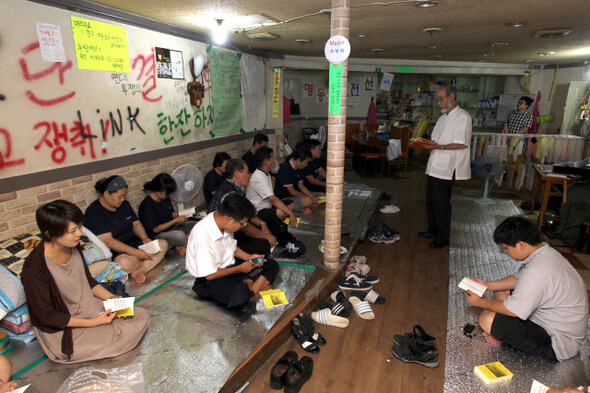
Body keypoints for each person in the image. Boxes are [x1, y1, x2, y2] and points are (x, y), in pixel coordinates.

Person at [21, 200, 149, 364]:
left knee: (140, 314)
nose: (79, 234)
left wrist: (111, 298)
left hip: (88, 306)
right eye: (72, 231)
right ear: (49, 234)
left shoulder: (73, 247)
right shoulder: (34, 270)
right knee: (120, 334)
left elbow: (88, 281)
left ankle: (109, 328)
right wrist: (93, 322)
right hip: (65, 327)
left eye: (79, 228)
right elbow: (47, 316)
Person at [464, 217, 588, 361]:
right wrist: (487, 285)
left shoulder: (538, 270)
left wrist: (480, 303)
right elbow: (518, 279)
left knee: (487, 319)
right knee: (500, 290)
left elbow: (513, 310)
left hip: (557, 342)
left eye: (506, 248)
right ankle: (503, 333)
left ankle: (503, 335)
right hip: (551, 322)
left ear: (521, 245)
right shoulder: (545, 253)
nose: (506, 252)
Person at [186, 193, 279, 309]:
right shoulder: (202, 236)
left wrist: (248, 258)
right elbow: (209, 275)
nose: (243, 226)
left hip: (230, 268)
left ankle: (251, 290)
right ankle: (250, 287)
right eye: (243, 223)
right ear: (230, 219)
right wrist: (239, 269)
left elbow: (232, 248)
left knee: (271, 264)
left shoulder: (222, 222)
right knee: (238, 295)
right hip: (209, 280)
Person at [84, 175, 169, 284]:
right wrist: (136, 253)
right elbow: (108, 241)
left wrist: (145, 238)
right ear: (106, 194)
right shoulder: (93, 213)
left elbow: (136, 223)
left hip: (135, 245)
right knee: (123, 263)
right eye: (120, 196)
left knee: (163, 244)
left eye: (124, 196)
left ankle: (142, 270)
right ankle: (145, 263)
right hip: (118, 253)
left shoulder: (124, 204)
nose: (123, 199)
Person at [418, 84, 472, 248]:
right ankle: (433, 230)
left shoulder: (463, 117)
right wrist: (428, 144)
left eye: (441, 99)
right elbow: (437, 141)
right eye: (438, 100)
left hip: (448, 168)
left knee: (441, 204)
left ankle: (443, 237)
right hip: (435, 165)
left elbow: (461, 144)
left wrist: (438, 147)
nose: (439, 103)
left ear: (452, 97)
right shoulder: (442, 118)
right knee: (431, 201)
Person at [246, 146, 306, 257]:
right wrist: (291, 214)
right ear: (266, 161)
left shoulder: (266, 173)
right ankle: (276, 231)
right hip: (259, 212)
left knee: (289, 204)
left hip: (268, 208)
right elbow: (272, 199)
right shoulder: (258, 177)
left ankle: (278, 227)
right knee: (283, 211)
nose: (275, 160)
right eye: (273, 157)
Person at [209, 159, 276, 256]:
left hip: (234, 228)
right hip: (223, 236)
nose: (249, 175)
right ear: (237, 174)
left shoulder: (233, 187)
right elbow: (243, 225)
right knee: (263, 244)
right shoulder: (230, 193)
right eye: (247, 172)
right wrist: (266, 236)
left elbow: (246, 215)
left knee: (266, 224)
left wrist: (262, 223)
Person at [139, 173, 192, 257]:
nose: (168, 195)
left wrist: (182, 213)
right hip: (158, 235)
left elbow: (170, 214)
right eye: (167, 193)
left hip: (171, 228)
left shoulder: (164, 198)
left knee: (194, 225)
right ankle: (183, 244)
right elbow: (156, 229)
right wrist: (176, 220)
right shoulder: (147, 205)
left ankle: (181, 244)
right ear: (159, 190)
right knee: (180, 235)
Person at [274, 146, 320, 214]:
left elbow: (301, 186)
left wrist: (312, 197)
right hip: (284, 198)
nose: (306, 165)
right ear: (298, 160)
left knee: (318, 197)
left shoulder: (300, 168)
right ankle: (300, 209)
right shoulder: (285, 169)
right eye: (305, 162)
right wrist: (308, 198)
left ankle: (302, 207)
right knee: (309, 201)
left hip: (294, 196)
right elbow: (292, 191)